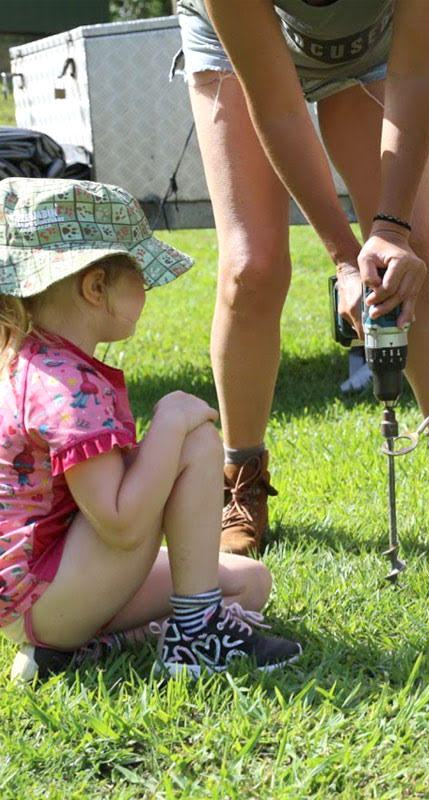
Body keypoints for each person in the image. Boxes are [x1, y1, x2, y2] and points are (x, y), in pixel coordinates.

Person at [173, 0, 429, 576]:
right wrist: (346, 259)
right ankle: (240, 481)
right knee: (252, 267)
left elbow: (420, 70)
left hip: (377, 46)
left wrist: (390, 230)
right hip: (237, 46)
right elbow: (276, 108)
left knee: (415, 253)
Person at [0, 178, 301, 681]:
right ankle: (197, 638)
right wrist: (172, 421)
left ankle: (73, 651)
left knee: (249, 583)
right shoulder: (66, 385)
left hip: (39, 597)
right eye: (138, 272)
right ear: (95, 287)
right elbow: (120, 523)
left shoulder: (37, 360)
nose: (147, 287)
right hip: (51, 596)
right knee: (194, 437)